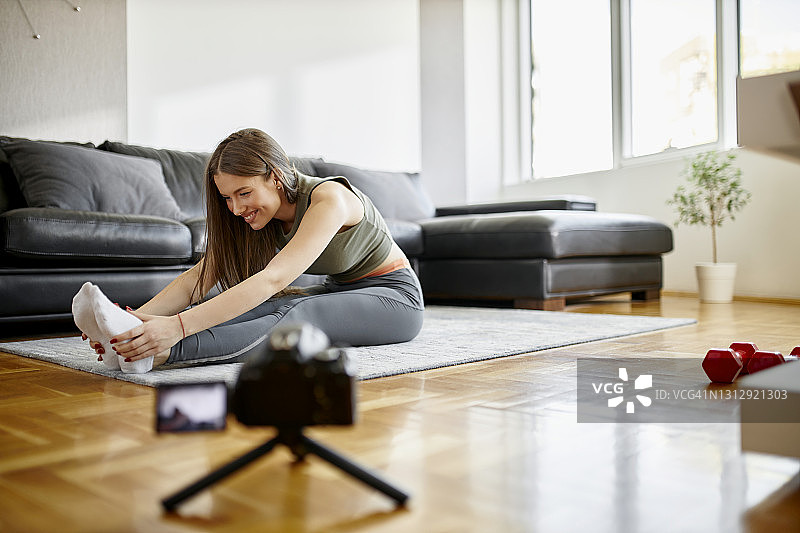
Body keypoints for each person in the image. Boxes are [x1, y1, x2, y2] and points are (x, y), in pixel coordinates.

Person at [83, 128, 424, 369]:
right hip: (339, 290)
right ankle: (133, 344)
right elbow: (200, 277)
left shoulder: (329, 199)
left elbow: (271, 279)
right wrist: (137, 320)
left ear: (275, 176)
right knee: (260, 308)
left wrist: (177, 329)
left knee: (296, 318)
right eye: (227, 198)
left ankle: (158, 354)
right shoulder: (259, 217)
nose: (234, 208)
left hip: (395, 298)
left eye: (243, 193)